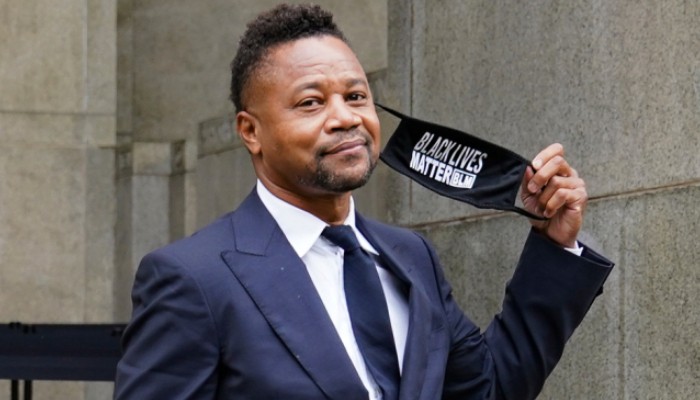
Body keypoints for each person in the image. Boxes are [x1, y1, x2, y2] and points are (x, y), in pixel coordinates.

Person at [113, 4, 613, 400]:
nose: (345, 118)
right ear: (251, 131)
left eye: (356, 97)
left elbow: (487, 389)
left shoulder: (410, 257)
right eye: (311, 102)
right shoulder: (192, 279)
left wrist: (553, 245)